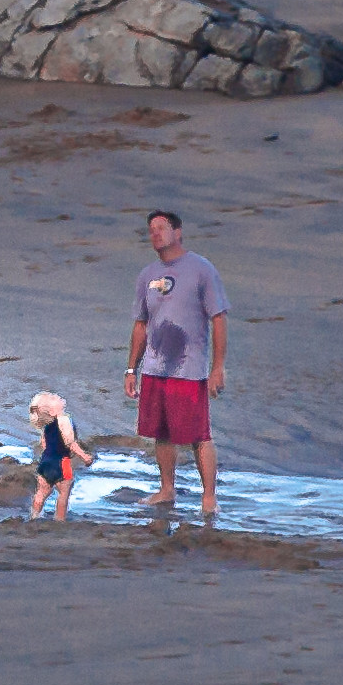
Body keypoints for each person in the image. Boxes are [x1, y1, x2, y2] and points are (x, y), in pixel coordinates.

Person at [123, 208, 228, 520]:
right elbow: (140, 325)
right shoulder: (147, 276)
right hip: (155, 368)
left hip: (189, 368)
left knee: (199, 435)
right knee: (162, 433)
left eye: (162, 228)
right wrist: (131, 369)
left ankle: (209, 497)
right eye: (151, 229)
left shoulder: (201, 269)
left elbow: (219, 318)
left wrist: (217, 368)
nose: (155, 234)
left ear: (178, 233)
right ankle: (167, 489)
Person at [25, 389, 91, 521]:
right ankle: (60, 519)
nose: (57, 397)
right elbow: (70, 443)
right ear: (52, 411)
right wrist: (84, 456)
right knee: (63, 493)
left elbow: (44, 444)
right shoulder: (64, 420)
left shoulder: (46, 426)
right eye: (54, 398)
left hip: (45, 462)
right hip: (62, 462)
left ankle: (34, 515)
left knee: (41, 493)